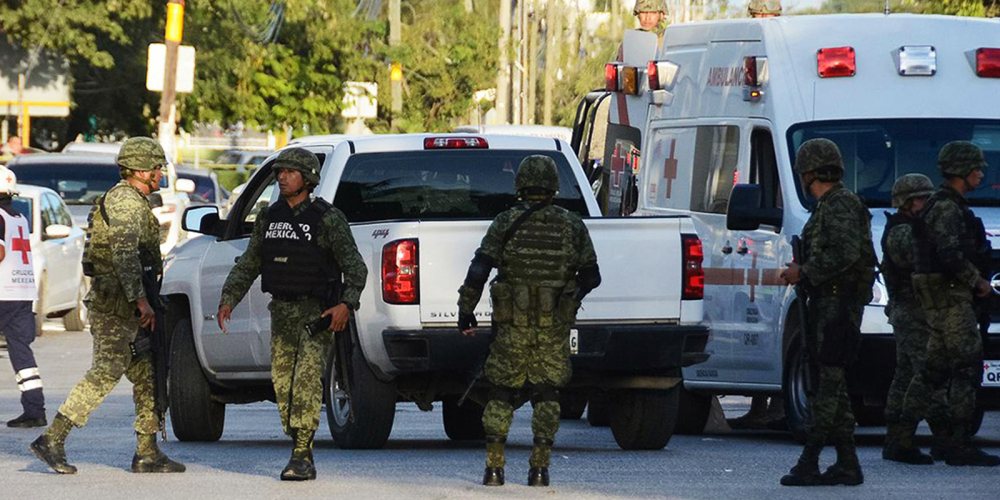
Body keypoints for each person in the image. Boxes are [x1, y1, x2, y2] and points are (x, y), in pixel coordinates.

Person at [30, 137, 184, 475]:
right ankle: (52, 438)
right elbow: (125, 255)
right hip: (118, 305)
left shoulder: (134, 199)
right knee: (106, 372)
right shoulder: (126, 202)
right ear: (140, 170)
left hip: (127, 301)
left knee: (147, 376)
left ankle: (147, 451)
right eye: (155, 167)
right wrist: (141, 300)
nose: (159, 173)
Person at [217, 147, 367, 481]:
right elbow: (251, 262)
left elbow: (355, 268)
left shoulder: (328, 219)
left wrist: (346, 304)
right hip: (281, 312)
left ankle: (302, 455)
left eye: (290, 172)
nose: (282, 177)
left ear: (308, 178)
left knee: (305, 381)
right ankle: (298, 438)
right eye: (280, 172)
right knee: (283, 385)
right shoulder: (270, 218)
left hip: (316, 314)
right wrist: (229, 298)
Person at [457, 155, 602, 487]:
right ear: (553, 186)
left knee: (501, 395)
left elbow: (479, 270)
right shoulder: (572, 224)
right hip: (553, 329)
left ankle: (494, 470)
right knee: (547, 395)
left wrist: (466, 311)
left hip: (512, 327)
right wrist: (568, 298)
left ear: (519, 185)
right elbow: (592, 276)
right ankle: (540, 470)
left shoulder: (505, 221)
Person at [779, 139, 876, 487]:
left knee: (826, 387)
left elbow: (846, 254)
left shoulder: (841, 205)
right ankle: (848, 463)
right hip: (826, 305)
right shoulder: (828, 206)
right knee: (828, 384)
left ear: (808, 173)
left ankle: (810, 461)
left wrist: (803, 272)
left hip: (838, 309)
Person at [911, 141, 1000, 467]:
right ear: (963, 171)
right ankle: (958, 443)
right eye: (977, 168)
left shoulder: (943, 205)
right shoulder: (947, 208)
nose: (981, 173)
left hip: (943, 298)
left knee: (934, 370)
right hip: (951, 298)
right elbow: (949, 255)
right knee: (965, 367)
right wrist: (978, 283)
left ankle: (921, 437)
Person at [881, 174, 943, 465]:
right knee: (928, 374)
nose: (926, 204)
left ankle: (896, 439)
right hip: (912, 311)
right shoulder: (902, 232)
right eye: (922, 199)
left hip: (910, 311)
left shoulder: (907, 228)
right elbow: (920, 261)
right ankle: (946, 437)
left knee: (905, 376)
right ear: (908, 202)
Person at [0, 165, 46, 428]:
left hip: (2, 292)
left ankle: (34, 409)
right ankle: (34, 408)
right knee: (21, 352)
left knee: (19, 350)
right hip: (21, 290)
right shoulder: (18, 217)